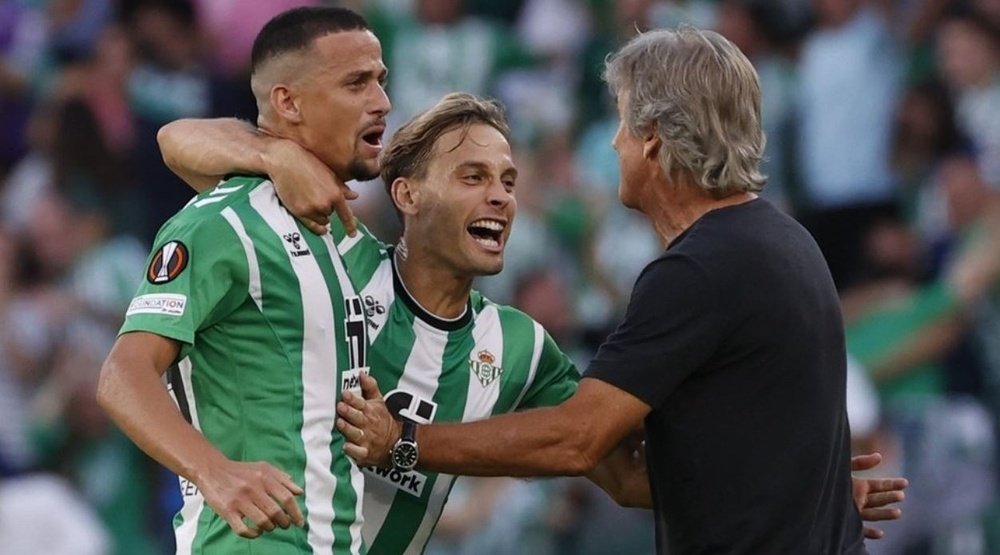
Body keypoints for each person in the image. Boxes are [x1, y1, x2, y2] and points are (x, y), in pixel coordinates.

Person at [162, 91, 905, 555]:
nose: (500, 199)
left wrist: (805, 487)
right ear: (409, 194)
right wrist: (270, 156)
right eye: (474, 177)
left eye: (510, 181)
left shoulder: (517, 348)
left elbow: (623, 474)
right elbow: (178, 142)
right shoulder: (335, 262)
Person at [335, 28, 878, 554]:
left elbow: (583, 440)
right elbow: (636, 477)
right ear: (405, 194)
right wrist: (808, 494)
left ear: (653, 141)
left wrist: (404, 441)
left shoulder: (700, 269)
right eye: (473, 178)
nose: (614, 141)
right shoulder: (785, 241)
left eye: (621, 123)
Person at [97, 7, 390, 554]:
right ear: (288, 102)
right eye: (356, 83)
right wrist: (215, 471)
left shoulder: (340, 236)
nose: (381, 102)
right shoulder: (222, 222)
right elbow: (122, 374)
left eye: (381, 80)